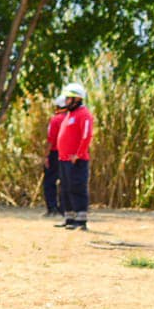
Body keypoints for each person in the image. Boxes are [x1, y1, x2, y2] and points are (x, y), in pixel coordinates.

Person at [54, 82, 94, 231]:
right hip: (64, 159)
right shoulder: (69, 114)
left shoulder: (84, 115)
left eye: (69, 98)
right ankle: (69, 217)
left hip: (77, 160)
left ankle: (81, 219)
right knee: (65, 188)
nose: (66, 101)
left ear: (77, 99)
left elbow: (86, 135)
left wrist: (79, 153)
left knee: (77, 187)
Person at [42, 95, 68, 218]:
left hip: (55, 153)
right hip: (68, 153)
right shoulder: (71, 118)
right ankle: (64, 208)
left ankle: (52, 208)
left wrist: (46, 156)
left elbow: (51, 139)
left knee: (49, 181)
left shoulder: (55, 120)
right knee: (65, 181)